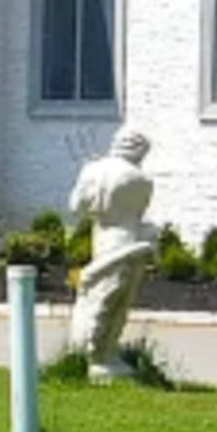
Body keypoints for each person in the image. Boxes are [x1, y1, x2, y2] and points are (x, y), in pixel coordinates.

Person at [64, 126, 158, 377]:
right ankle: (105, 355)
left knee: (100, 298)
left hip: (105, 238)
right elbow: (138, 215)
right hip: (132, 241)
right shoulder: (143, 180)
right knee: (118, 303)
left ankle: (94, 356)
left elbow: (76, 207)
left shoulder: (95, 170)